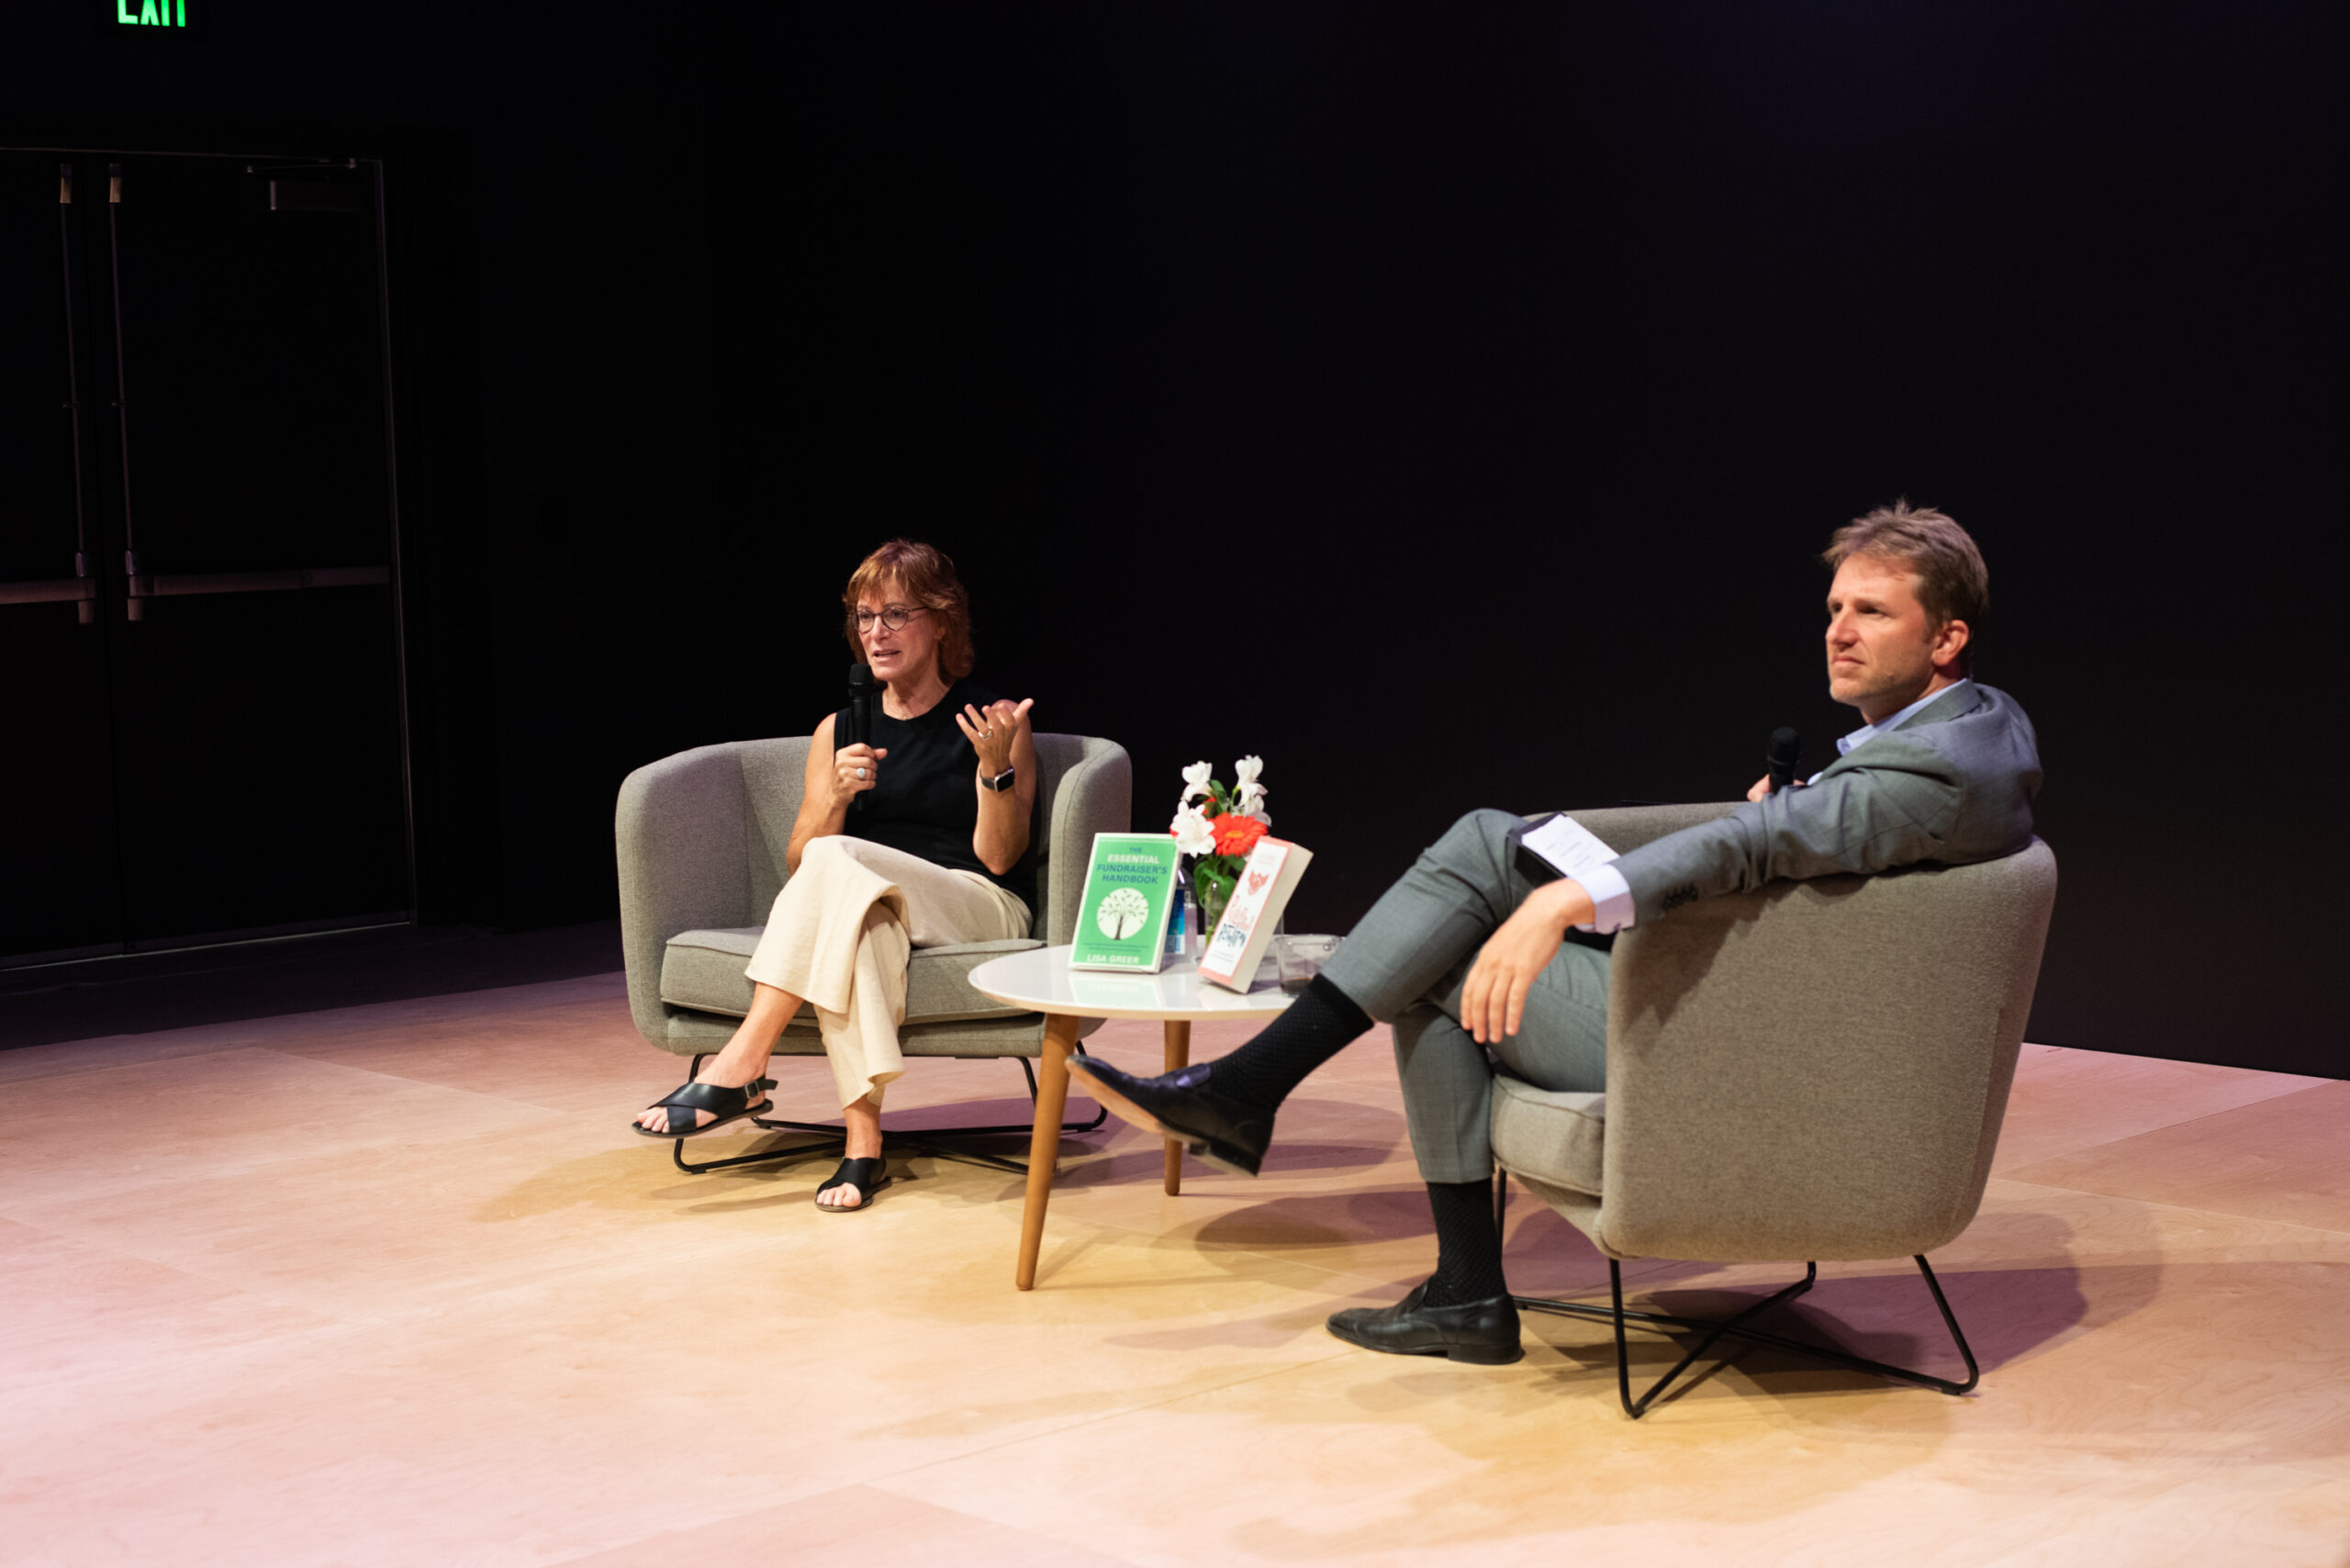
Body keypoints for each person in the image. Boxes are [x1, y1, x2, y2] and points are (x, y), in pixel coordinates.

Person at [1069, 502, 2042, 1361]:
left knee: (1441, 946)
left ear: (1946, 636)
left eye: (1871, 611)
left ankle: (1341, 1177)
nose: (1838, 631)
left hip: (1743, 1052)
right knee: (1486, 843)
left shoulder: (1928, 775)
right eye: (1834, 608)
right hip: (1763, 1007)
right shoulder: (1981, 728)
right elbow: (1803, 834)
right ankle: (1280, 1124)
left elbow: (1757, 843)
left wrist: (1564, 902)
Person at [631, 540, 1040, 1212]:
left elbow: (999, 859)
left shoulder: (988, 722)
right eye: (863, 616)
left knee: (839, 865)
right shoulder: (838, 730)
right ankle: (862, 1148)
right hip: (875, 901)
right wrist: (833, 798)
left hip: (974, 901)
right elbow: (802, 864)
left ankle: (744, 1061)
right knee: (860, 925)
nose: (875, 633)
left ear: (940, 621)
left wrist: (993, 770)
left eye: (895, 614)